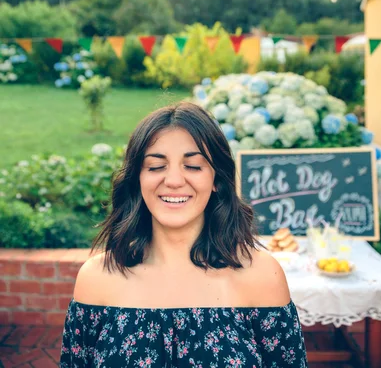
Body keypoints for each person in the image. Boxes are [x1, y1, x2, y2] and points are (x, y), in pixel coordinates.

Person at [60, 101, 308, 367]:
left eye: (193, 166)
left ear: (216, 180)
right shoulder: (97, 279)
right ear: (137, 179)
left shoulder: (262, 276)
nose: (174, 180)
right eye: (156, 167)